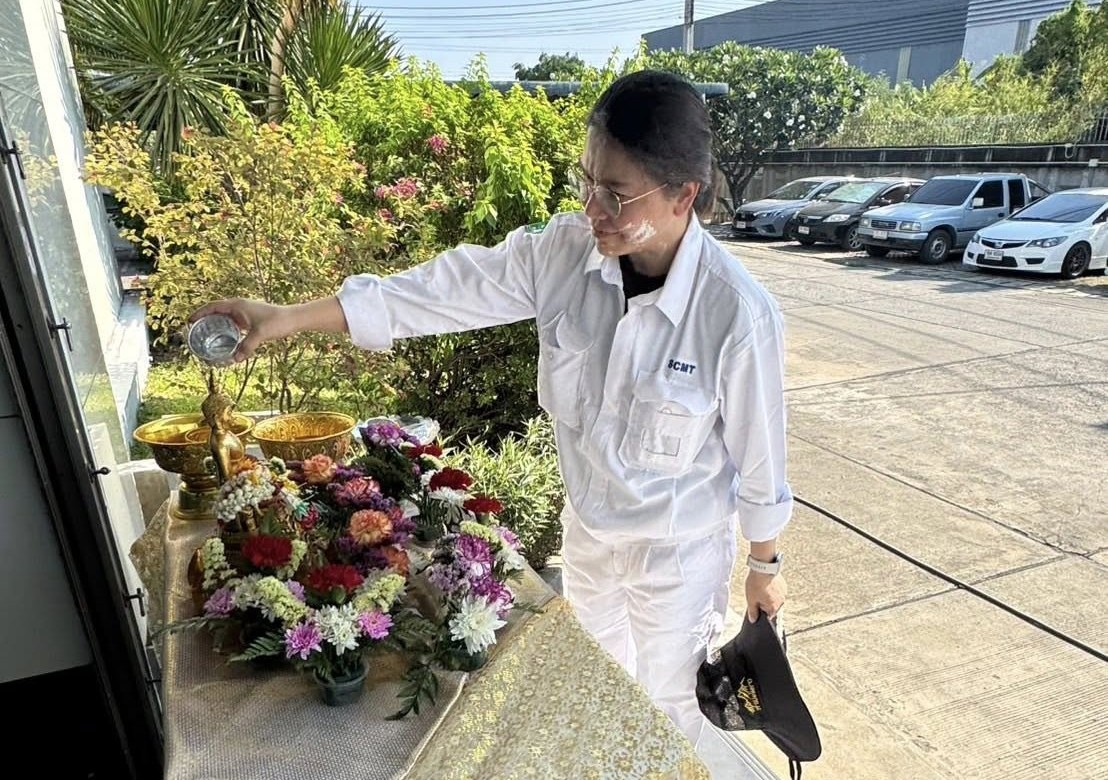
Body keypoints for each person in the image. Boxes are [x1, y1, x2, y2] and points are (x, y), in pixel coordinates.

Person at [190, 70, 791, 776]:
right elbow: (438, 292)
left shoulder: (734, 313)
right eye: (587, 181)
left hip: (677, 557)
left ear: (683, 194)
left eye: (616, 193)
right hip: (591, 538)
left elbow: (761, 460)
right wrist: (290, 318)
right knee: (590, 690)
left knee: (668, 713)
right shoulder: (562, 253)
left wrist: (764, 568)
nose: (592, 208)